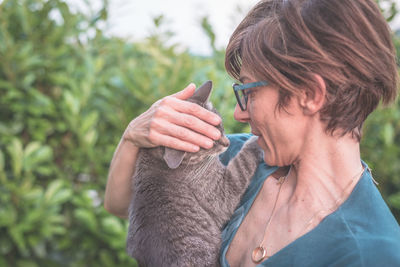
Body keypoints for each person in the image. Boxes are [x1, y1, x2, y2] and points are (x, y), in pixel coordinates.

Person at [104, 0, 400, 266]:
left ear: (310, 94)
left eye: (248, 91)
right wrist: (133, 136)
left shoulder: (370, 254)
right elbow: (123, 204)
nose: (239, 113)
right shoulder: (241, 157)